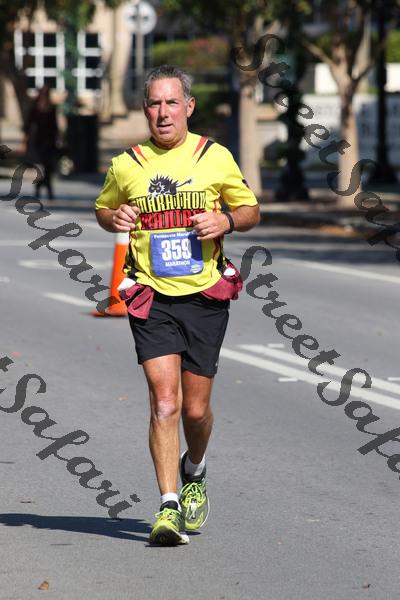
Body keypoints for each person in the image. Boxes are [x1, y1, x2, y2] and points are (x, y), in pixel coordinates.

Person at [95, 65, 260, 546]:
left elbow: (251, 210)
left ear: (189, 106)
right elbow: (104, 209)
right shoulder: (127, 163)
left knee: (195, 410)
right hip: (152, 296)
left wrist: (226, 220)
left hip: (205, 296)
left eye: (171, 102)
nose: (163, 112)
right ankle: (167, 507)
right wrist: (114, 216)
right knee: (164, 402)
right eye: (154, 103)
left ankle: (195, 468)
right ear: (144, 109)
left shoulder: (214, 156)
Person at [23, 85, 58, 200]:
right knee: (41, 167)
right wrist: (25, 141)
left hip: (50, 142)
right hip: (38, 141)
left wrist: (58, 139)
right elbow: (28, 126)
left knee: (49, 168)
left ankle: (45, 189)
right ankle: (43, 189)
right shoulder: (34, 108)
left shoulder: (52, 108)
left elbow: (55, 125)